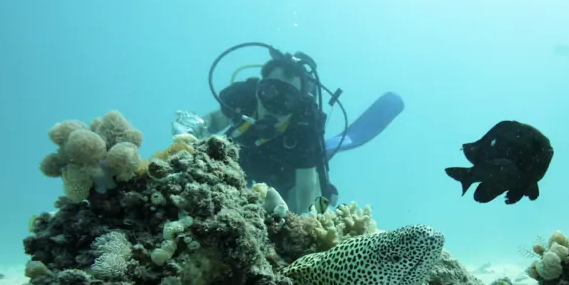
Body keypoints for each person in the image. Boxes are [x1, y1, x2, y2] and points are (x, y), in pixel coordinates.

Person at [173, 44, 405, 214]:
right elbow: (211, 122)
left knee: (316, 203)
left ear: (299, 104)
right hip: (240, 160)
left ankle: (327, 185)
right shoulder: (243, 98)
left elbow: (304, 197)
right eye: (271, 92)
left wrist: (292, 223)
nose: (276, 105)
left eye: (288, 98)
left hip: (286, 172)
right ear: (258, 89)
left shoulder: (304, 130)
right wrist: (191, 130)